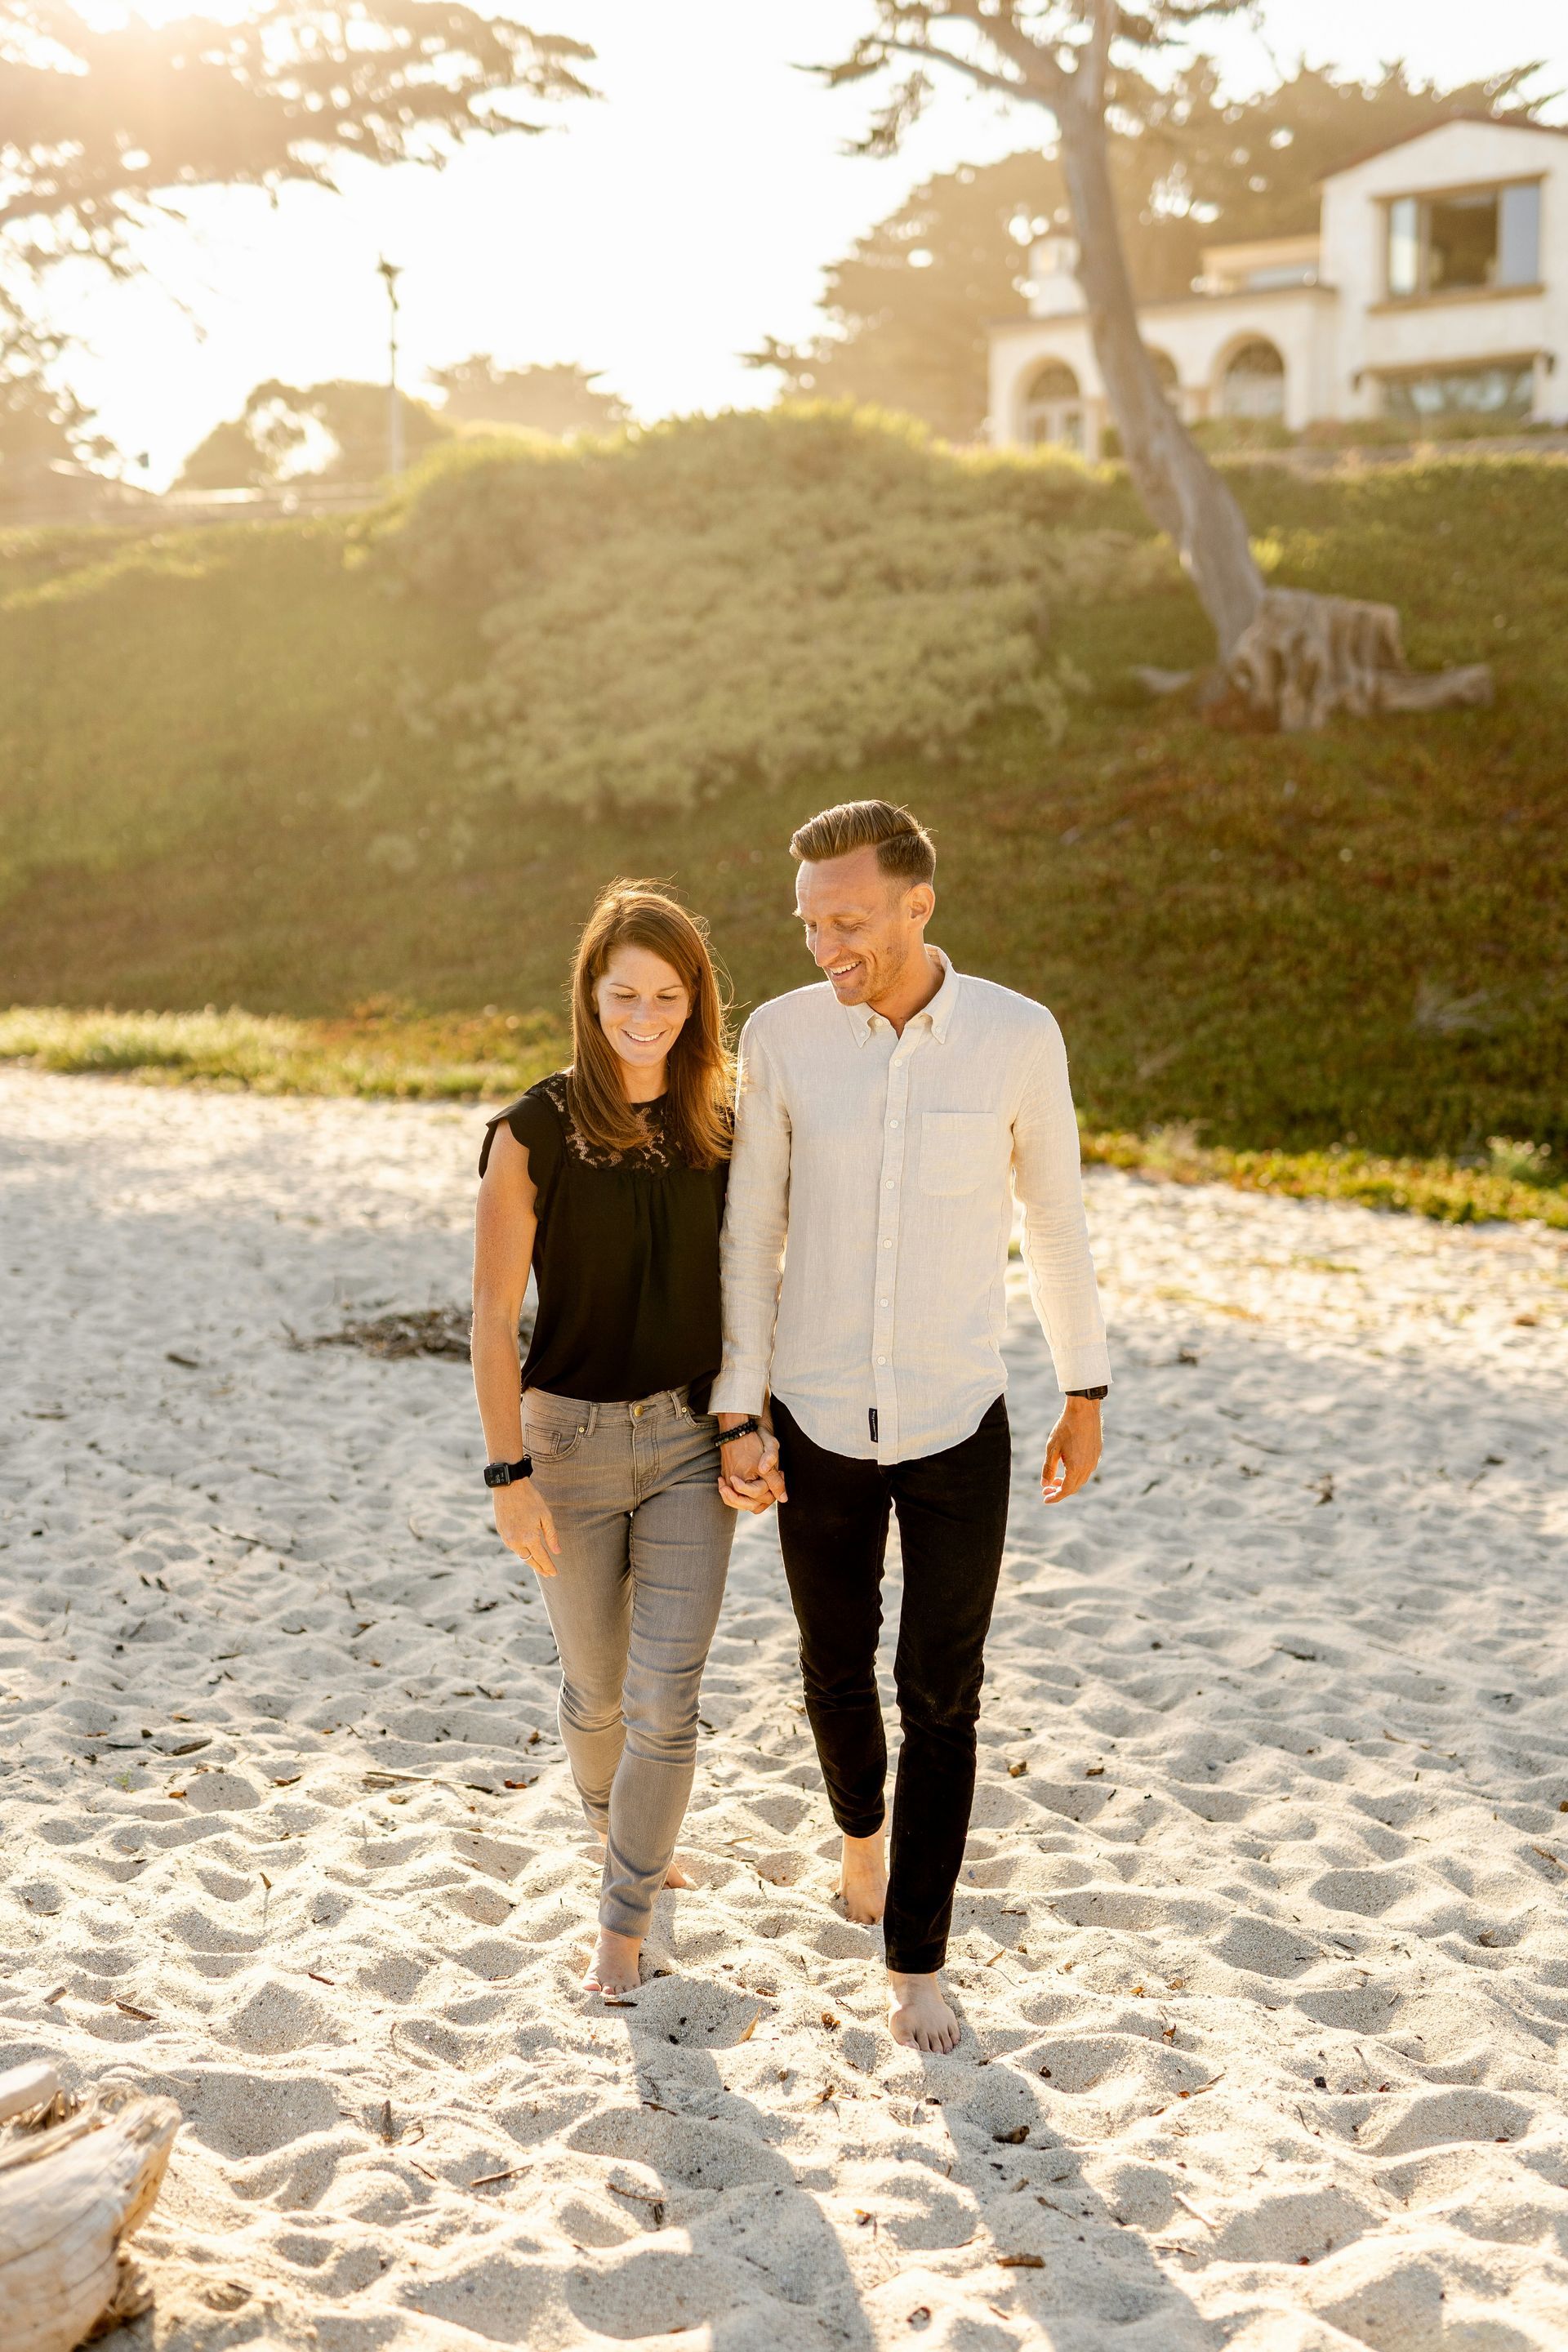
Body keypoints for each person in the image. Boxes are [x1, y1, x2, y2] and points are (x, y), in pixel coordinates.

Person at [712, 800, 1110, 2054]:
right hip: (815, 1414)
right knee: (835, 1668)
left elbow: (1053, 1216)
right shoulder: (779, 1037)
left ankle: (917, 1960)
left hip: (959, 1418)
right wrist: (740, 1409)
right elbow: (747, 1233)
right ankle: (859, 1835)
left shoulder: (1015, 1035)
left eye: (848, 918)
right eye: (810, 921)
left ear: (915, 904)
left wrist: (1083, 1387)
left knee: (944, 1694)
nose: (826, 942)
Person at [471, 881, 737, 2004]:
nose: (644, 1013)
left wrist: (747, 1420)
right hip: (566, 1446)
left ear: (696, 1000)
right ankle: (615, 1827)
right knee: (598, 1695)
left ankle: (622, 1925)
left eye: (668, 994)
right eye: (623, 991)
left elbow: (754, 1281)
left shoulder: (724, 1122)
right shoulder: (530, 1131)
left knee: (670, 1698)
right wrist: (509, 1476)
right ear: (589, 993)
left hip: (687, 1441)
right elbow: (490, 1317)